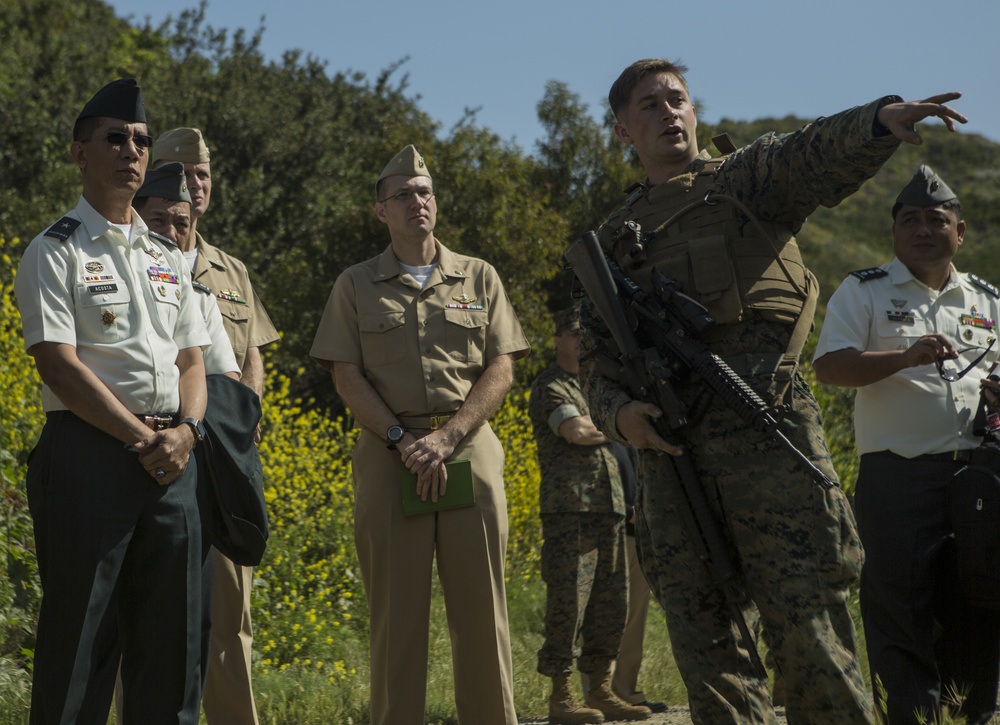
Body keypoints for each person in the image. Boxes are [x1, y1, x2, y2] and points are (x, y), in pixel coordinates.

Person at [577, 57, 968, 725]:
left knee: (808, 628)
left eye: (677, 99)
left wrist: (878, 121)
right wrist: (622, 417)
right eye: (650, 104)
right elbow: (596, 357)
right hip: (673, 455)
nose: (669, 111)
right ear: (623, 130)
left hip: (768, 435)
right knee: (705, 643)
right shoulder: (614, 241)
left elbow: (811, 154)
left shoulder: (745, 182)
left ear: (695, 112)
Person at [310, 144, 529, 725]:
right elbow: (345, 372)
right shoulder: (356, 284)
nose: (417, 202)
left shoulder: (478, 276)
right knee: (396, 619)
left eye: (425, 192)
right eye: (402, 194)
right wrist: (402, 439)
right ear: (380, 211)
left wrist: (451, 435)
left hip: (467, 451)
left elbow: (501, 367)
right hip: (391, 456)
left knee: (483, 615)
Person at [14, 78, 210, 724]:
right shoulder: (55, 250)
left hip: (172, 464)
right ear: (79, 153)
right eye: (116, 138)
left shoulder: (168, 257)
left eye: (142, 140)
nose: (132, 150)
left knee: (170, 652)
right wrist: (140, 435)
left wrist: (185, 431)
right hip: (90, 458)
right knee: (79, 650)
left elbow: (192, 361)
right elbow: (59, 367)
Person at [813, 165, 1000, 725]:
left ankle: (973, 711)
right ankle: (911, 715)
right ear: (893, 232)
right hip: (897, 477)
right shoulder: (864, 290)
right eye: (910, 219)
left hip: (978, 477)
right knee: (898, 605)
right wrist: (903, 356)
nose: (923, 228)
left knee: (981, 599)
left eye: (936, 219)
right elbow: (830, 367)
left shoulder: (988, 300)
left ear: (960, 232)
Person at [152, 127, 279, 724]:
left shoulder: (232, 270)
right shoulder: (136, 252)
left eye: (203, 174)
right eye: (183, 173)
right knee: (150, 612)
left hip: (223, 458)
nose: (195, 186)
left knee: (230, 615)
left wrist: (239, 420)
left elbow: (252, 354)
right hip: (161, 448)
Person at [528, 307, 652, 724]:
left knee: (611, 603)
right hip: (571, 511)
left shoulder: (596, 385)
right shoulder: (551, 385)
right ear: (558, 339)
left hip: (610, 509)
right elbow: (576, 432)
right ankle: (561, 696)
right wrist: (617, 422)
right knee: (568, 604)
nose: (582, 341)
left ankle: (599, 689)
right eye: (575, 334)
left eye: (587, 335)